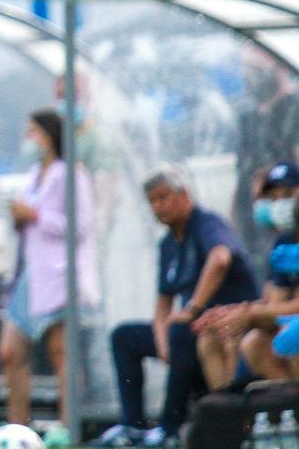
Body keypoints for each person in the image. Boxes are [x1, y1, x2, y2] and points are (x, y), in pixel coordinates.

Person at [92, 165, 259, 448]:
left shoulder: (207, 224)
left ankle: (169, 428)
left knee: (182, 330)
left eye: (163, 197)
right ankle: (132, 426)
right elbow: (163, 302)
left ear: (184, 196)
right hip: (189, 334)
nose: (158, 206)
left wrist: (193, 309)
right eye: (152, 201)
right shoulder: (168, 244)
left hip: (228, 328)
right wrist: (161, 340)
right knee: (123, 337)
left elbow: (220, 259)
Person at [0, 110, 100, 448]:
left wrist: (35, 214)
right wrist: (21, 217)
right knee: (10, 352)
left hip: (59, 276)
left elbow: (80, 226)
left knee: (61, 354)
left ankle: (66, 429)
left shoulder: (72, 175)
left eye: (34, 132)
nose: (28, 139)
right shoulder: (34, 175)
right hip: (30, 275)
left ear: (50, 135)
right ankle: (17, 429)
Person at [193, 161, 299, 384]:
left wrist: (248, 315)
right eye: (273, 198)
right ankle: (232, 404)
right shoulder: (282, 242)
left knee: (289, 338)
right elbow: (275, 304)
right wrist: (231, 314)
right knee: (228, 337)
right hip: (282, 325)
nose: (278, 205)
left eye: (287, 194)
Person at [233, 46, 299, 263]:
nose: (250, 76)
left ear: (279, 66)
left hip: (289, 226)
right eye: (246, 68)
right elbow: (241, 179)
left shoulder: (294, 111)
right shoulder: (247, 118)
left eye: (257, 68)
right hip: (254, 233)